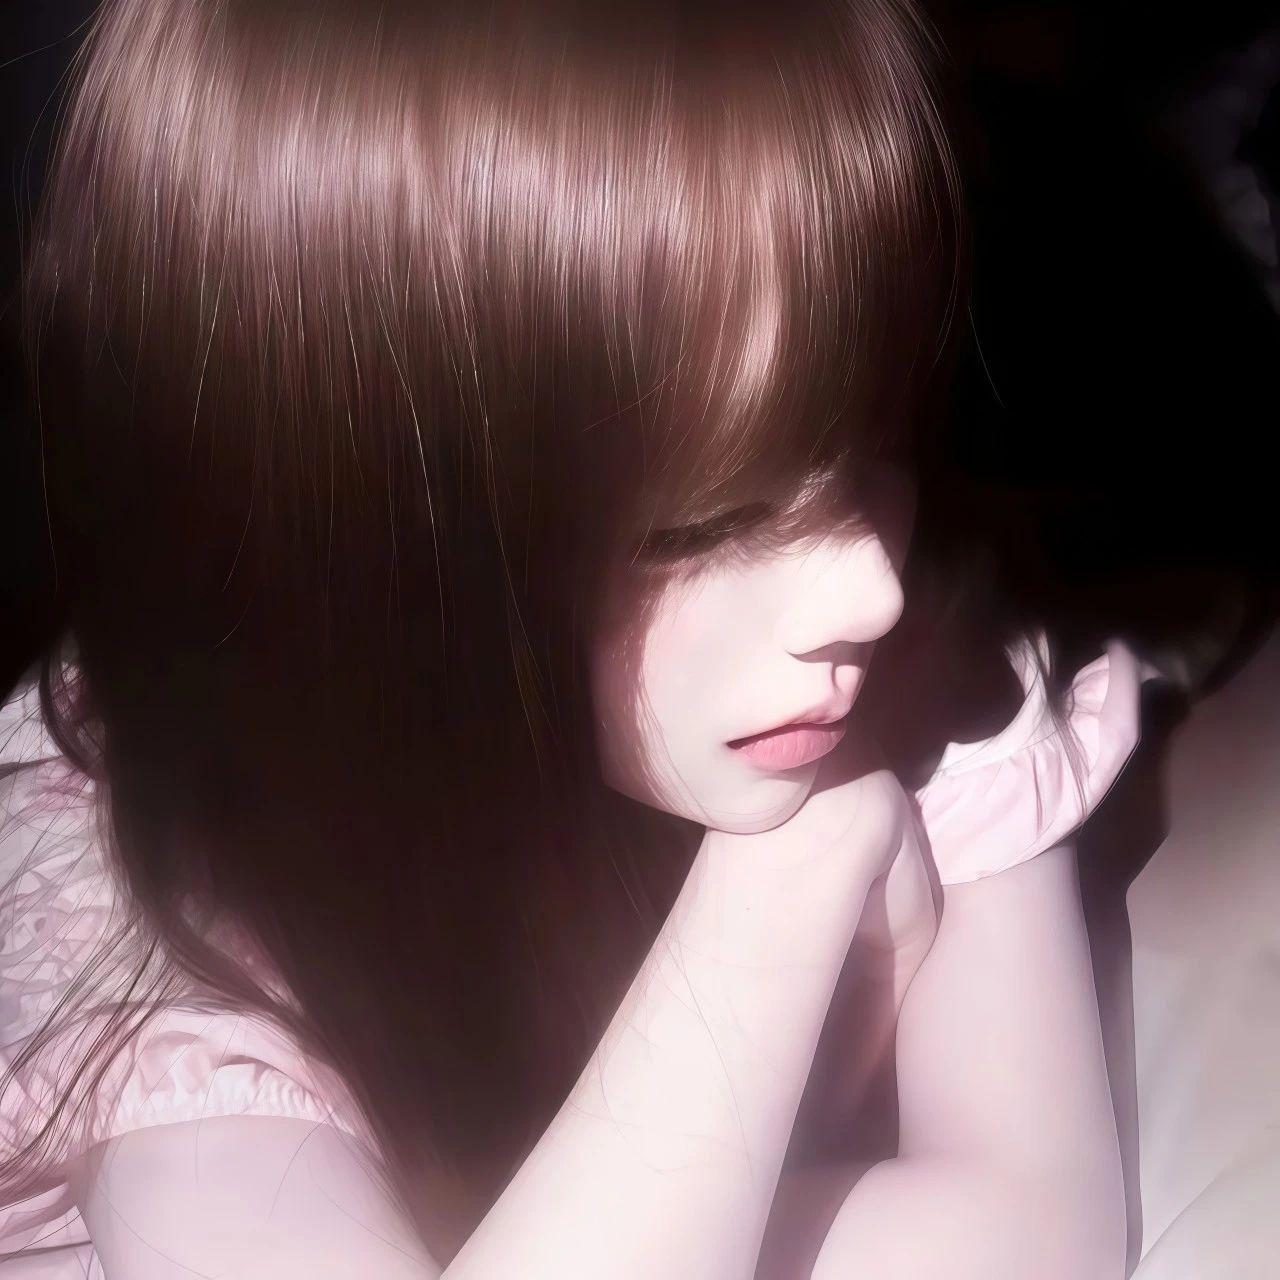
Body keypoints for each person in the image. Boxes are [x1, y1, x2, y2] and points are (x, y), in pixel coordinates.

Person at [0, 1, 1147, 1274]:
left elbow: (1032, 1231)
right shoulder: (147, 913)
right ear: (364, 553)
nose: (866, 587)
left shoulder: (916, 671)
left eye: (868, 444)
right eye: (698, 525)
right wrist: (777, 897)